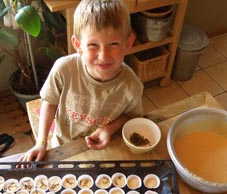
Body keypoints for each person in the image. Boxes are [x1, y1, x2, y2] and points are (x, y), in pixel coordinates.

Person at [19, 0, 143, 162]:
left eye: (113, 44)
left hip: (105, 147)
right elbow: (49, 102)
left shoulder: (132, 85)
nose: (103, 56)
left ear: (128, 44)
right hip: (64, 147)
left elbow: (132, 116)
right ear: (78, 45)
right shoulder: (63, 69)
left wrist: (108, 130)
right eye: (93, 45)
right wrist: (41, 142)